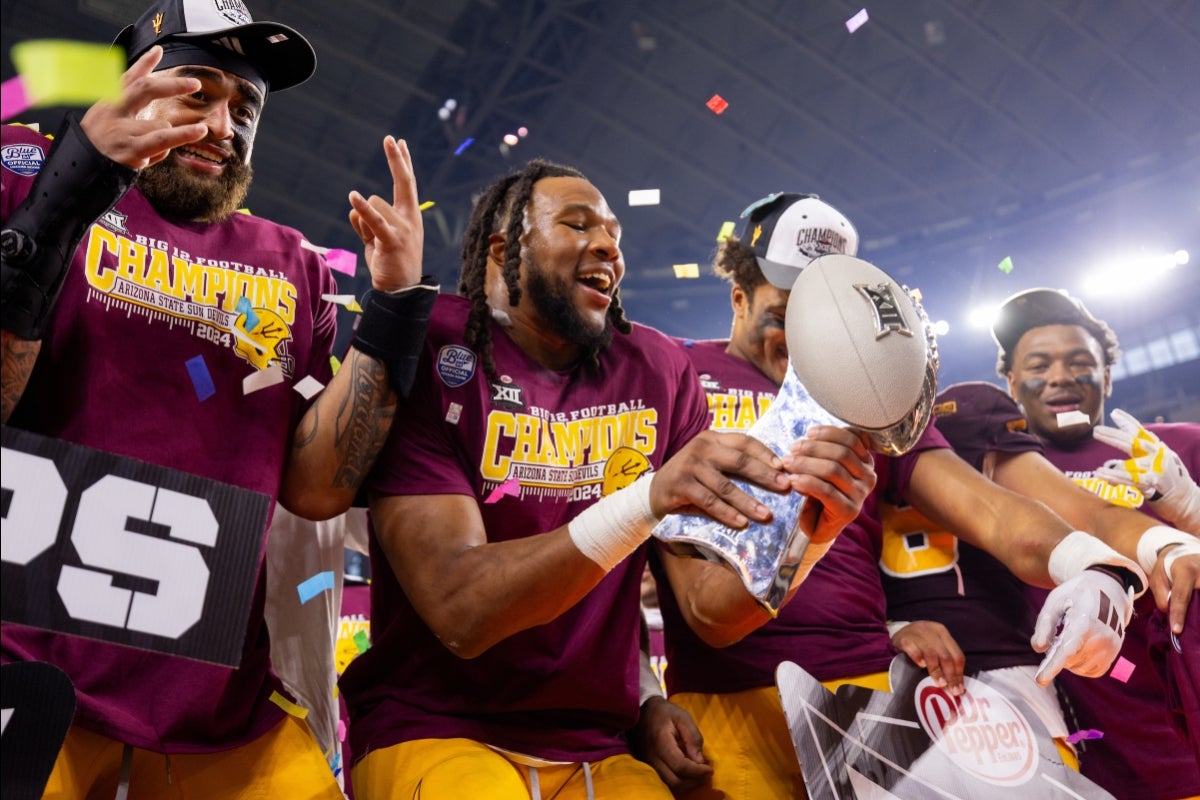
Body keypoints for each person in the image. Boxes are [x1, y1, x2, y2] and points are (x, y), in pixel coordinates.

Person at [1, 1, 436, 796]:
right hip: (26, 676)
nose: (224, 124)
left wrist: (396, 310)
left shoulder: (295, 265)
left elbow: (316, 487)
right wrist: (70, 187)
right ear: (123, 82)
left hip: (221, 712)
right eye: (195, 92)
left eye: (245, 107)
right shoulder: (20, 168)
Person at [338, 161, 878, 799]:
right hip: (435, 725)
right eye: (577, 223)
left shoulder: (658, 369)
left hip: (598, 740)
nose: (609, 245)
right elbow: (462, 611)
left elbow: (709, 610)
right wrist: (645, 499)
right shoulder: (435, 346)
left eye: (615, 232)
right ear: (502, 250)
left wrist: (813, 528)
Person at [640, 193, 1150, 800]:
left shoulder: (870, 388)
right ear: (739, 297)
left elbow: (984, 507)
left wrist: (1086, 564)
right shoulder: (672, 373)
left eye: (821, 320)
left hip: (868, 691)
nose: (802, 342)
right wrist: (644, 691)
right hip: (724, 696)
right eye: (783, 315)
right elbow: (701, 611)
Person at [992, 287, 1200, 799]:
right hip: (1083, 747)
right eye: (1039, 364)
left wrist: (1188, 505)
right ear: (1011, 382)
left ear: (1107, 374)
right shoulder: (994, 472)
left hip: (1183, 709)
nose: (1061, 376)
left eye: (1080, 362)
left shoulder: (1179, 447)